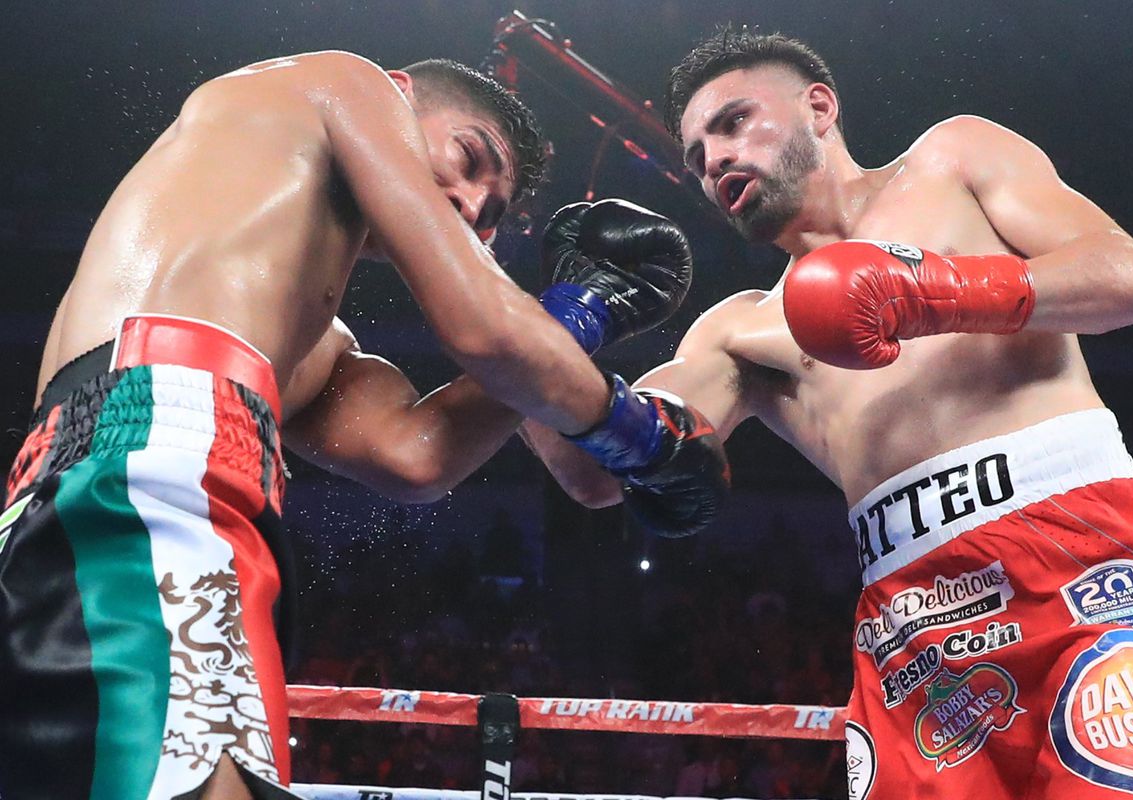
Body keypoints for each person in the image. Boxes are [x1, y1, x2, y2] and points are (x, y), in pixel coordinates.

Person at [0, 50, 727, 800]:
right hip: (157, 461)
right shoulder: (347, 82)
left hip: (93, 480)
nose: (475, 206)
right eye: (469, 157)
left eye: (495, 211)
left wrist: (577, 316)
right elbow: (484, 330)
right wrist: (642, 437)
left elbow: (418, 453)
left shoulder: (292, 333)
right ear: (401, 96)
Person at [524, 26, 1133, 799]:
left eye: (733, 122)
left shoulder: (953, 158)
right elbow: (591, 472)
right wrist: (546, 326)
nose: (712, 160)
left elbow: (1131, 278)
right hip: (912, 628)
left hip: (1086, 557)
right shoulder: (741, 329)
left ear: (819, 107)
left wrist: (928, 291)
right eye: (696, 155)